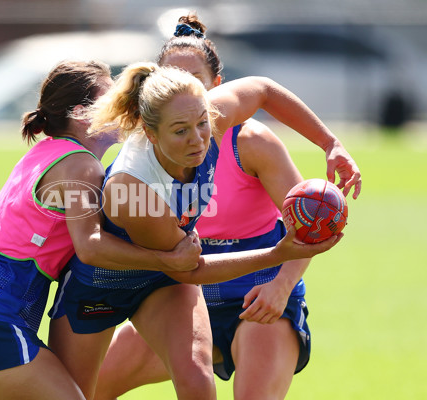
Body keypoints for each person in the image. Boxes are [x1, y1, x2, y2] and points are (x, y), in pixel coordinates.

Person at [92, 14, 361, 400]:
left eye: (195, 83)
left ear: (217, 86)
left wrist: (281, 285)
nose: (182, 93)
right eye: (170, 81)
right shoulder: (140, 169)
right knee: (90, 388)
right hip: (183, 288)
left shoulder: (249, 142)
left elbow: (303, 227)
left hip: (260, 294)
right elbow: (183, 266)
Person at [0, 60, 203, 400]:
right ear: (79, 112)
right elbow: (90, 247)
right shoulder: (81, 165)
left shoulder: (46, 152)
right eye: (110, 98)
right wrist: (168, 260)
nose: (120, 105)